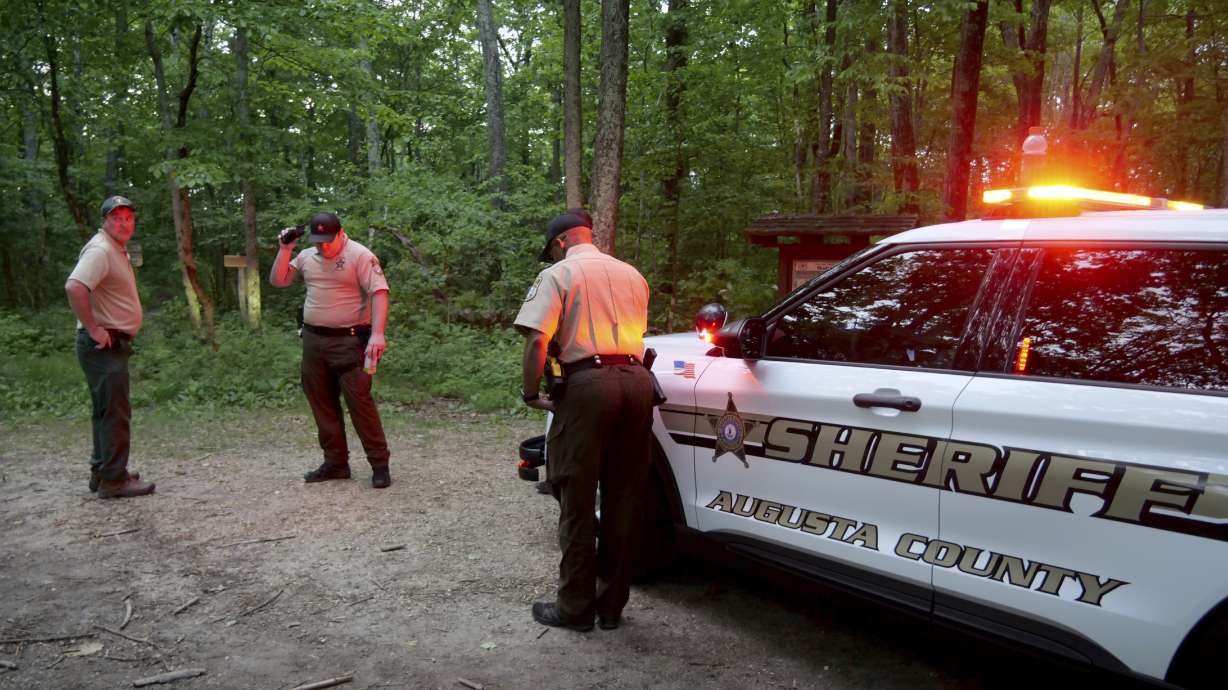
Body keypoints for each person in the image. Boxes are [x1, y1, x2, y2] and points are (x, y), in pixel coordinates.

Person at [514, 210, 654, 632]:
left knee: (576, 495)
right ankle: (611, 606)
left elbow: (539, 338)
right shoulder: (633, 275)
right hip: (638, 383)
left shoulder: (558, 274)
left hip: (589, 386)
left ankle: (575, 609)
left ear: (559, 243)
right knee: (624, 497)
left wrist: (529, 392)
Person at [268, 212, 392, 489]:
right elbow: (279, 280)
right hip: (314, 342)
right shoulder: (307, 256)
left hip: (351, 342)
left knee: (360, 404)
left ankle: (379, 464)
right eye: (318, 240)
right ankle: (336, 463)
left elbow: (380, 292)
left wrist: (378, 334)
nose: (323, 246)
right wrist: (285, 248)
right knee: (322, 404)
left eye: (328, 240)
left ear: (341, 233)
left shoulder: (360, 255)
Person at [65, 195, 155, 499]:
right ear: (105, 221)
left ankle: (103, 470)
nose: (123, 223)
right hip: (103, 346)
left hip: (109, 345)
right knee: (115, 412)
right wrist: (93, 328)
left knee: (105, 410)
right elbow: (75, 287)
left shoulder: (115, 249)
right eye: (116, 218)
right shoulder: (101, 249)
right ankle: (114, 480)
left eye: (128, 218)